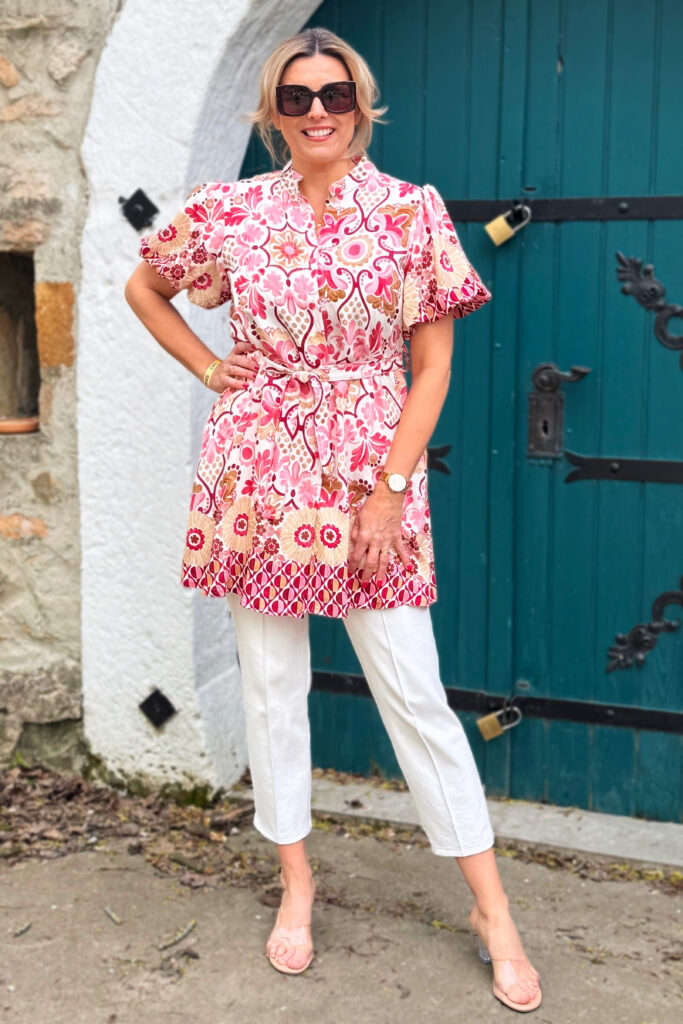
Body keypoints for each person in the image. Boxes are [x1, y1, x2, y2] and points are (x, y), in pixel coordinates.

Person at [125, 26, 542, 1013]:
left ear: (361, 103)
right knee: (272, 687)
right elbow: (145, 285)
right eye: (297, 96)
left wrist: (390, 488)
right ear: (274, 112)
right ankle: (296, 880)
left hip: (367, 478)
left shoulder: (408, 211)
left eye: (336, 93)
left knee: (413, 690)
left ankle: (492, 911)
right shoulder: (230, 210)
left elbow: (431, 367)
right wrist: (207, 366)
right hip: (257, 474)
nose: (318, 111)